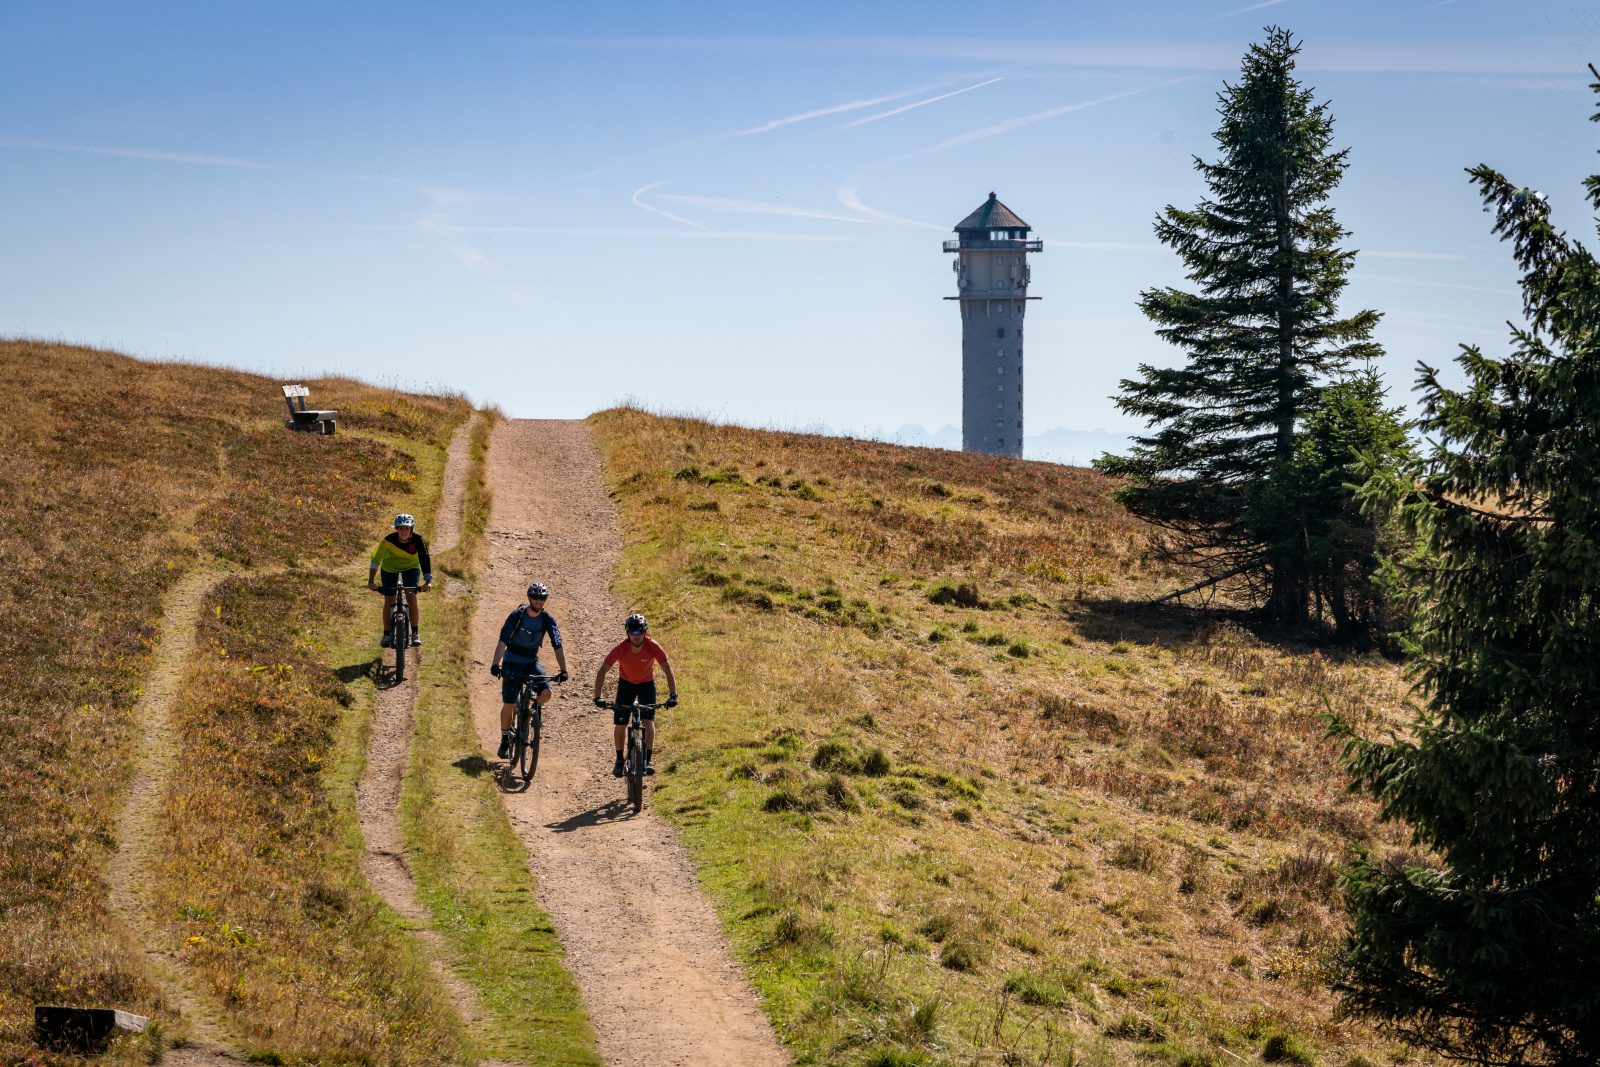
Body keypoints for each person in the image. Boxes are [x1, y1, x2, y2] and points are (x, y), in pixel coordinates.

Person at [489, 582, 569, 760]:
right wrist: (495, 664)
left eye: (542, 598)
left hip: (531, 662)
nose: (538, 601)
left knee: (547, 693)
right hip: (512, 661)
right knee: (509, 703)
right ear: (529, 598)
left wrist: (564, 670)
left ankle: (531, 712)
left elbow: (558, 645)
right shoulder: (517, 615)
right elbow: (502, 640)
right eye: (535, 597)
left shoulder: (547, 619)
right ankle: (505, 738)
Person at [593, 613, 677, 777]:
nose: (636, 636)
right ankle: (619, 760)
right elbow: (603, 670)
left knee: (648, 721)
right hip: (626, 685)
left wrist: (673, 694)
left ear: (645, 632)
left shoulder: (652, 646)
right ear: (627, 633)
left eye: (639, 632)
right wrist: (597, 696)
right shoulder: (621, 648)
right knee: (621, 723)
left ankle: (648, 759)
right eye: (632, 632)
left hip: (646, 685)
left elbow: (667, 668)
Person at [367, 514, 431, 647]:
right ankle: (386, 634)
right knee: (389, 599)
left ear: (411, 529)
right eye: (401, 528)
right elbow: (375, 560)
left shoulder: (418, 540)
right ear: (396, 529)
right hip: (390, 568)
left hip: (411, 567)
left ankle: (415, 634)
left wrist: (427, 581)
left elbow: (425, 559)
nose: (403, 531)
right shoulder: (388, 540)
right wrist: (371, 581)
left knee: (411, 597)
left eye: (406, 528)